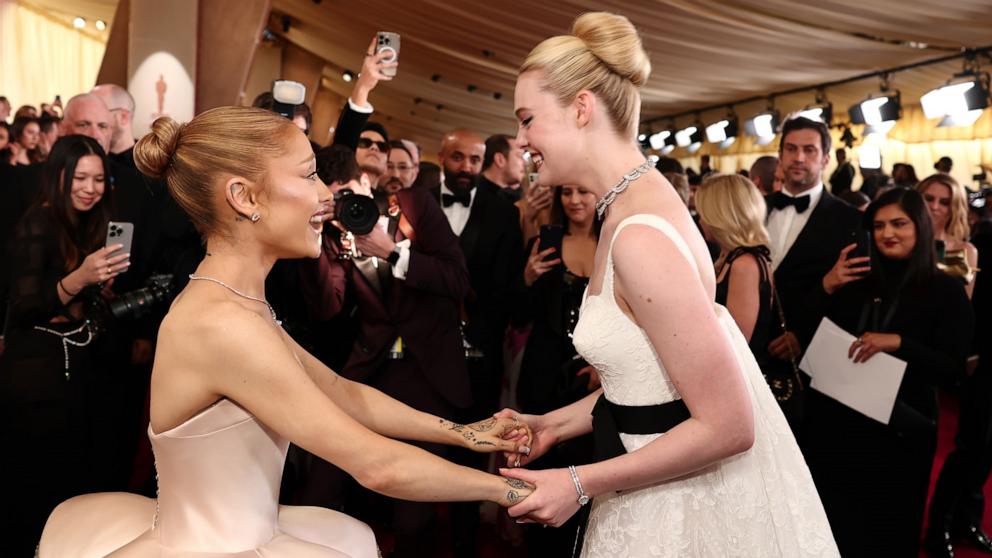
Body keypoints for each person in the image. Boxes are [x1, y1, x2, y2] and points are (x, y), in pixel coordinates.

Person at [37, 107, 534, 557]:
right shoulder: (221, 324)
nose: (326, 195)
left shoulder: (238, 301)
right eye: (310, 174)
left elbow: (343, 393)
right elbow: (376, 465)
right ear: (244, 196)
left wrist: (466, 435)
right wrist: (511, 491)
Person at [497, 12, 837, 557]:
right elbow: (652, 381)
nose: (520, 140)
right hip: (652, 485)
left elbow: (729, 426)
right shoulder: (630, 207)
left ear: (581, 108)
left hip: (675, 508)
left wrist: (578, 483)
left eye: (527, 119)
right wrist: (554, 425)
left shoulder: (639, 234)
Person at [805, 188, 973, 557]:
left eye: (899, 223)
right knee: (834, 526)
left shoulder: (945, 290)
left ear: (921, 227)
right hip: (837, 424)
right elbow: (805, 333)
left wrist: (899, 342)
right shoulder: (854, 280)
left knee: (889, 530)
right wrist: (826, 285)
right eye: (878, 225)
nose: (887, 234)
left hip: (900, 430)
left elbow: (953, 371)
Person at [0, 135, 131, 556]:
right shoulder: (36, 223)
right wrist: (80, 278)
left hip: (74, 371)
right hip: (36, 379)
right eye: (80, 178)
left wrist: (99, 288)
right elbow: (24, 308)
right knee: (38, 485)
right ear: (58, 176)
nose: (90, 188)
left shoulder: (85, 223)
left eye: (98, 179)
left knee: (75, 480)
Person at [515, 183, 600, 556]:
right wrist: (529, 277)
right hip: (543, 371)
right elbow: (517, 314)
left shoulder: (615, 241)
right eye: (567, 192)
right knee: (539, 464)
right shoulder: (546, 239)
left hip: (594, 374)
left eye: (584, 192)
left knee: (586, 472)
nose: (576, 200)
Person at [916, 173, 980, 298]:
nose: (934, 207)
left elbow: (965, 304)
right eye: (929, 198)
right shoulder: (902, 242)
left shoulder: (966, 250)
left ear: (954, 207)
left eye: (944, 202)